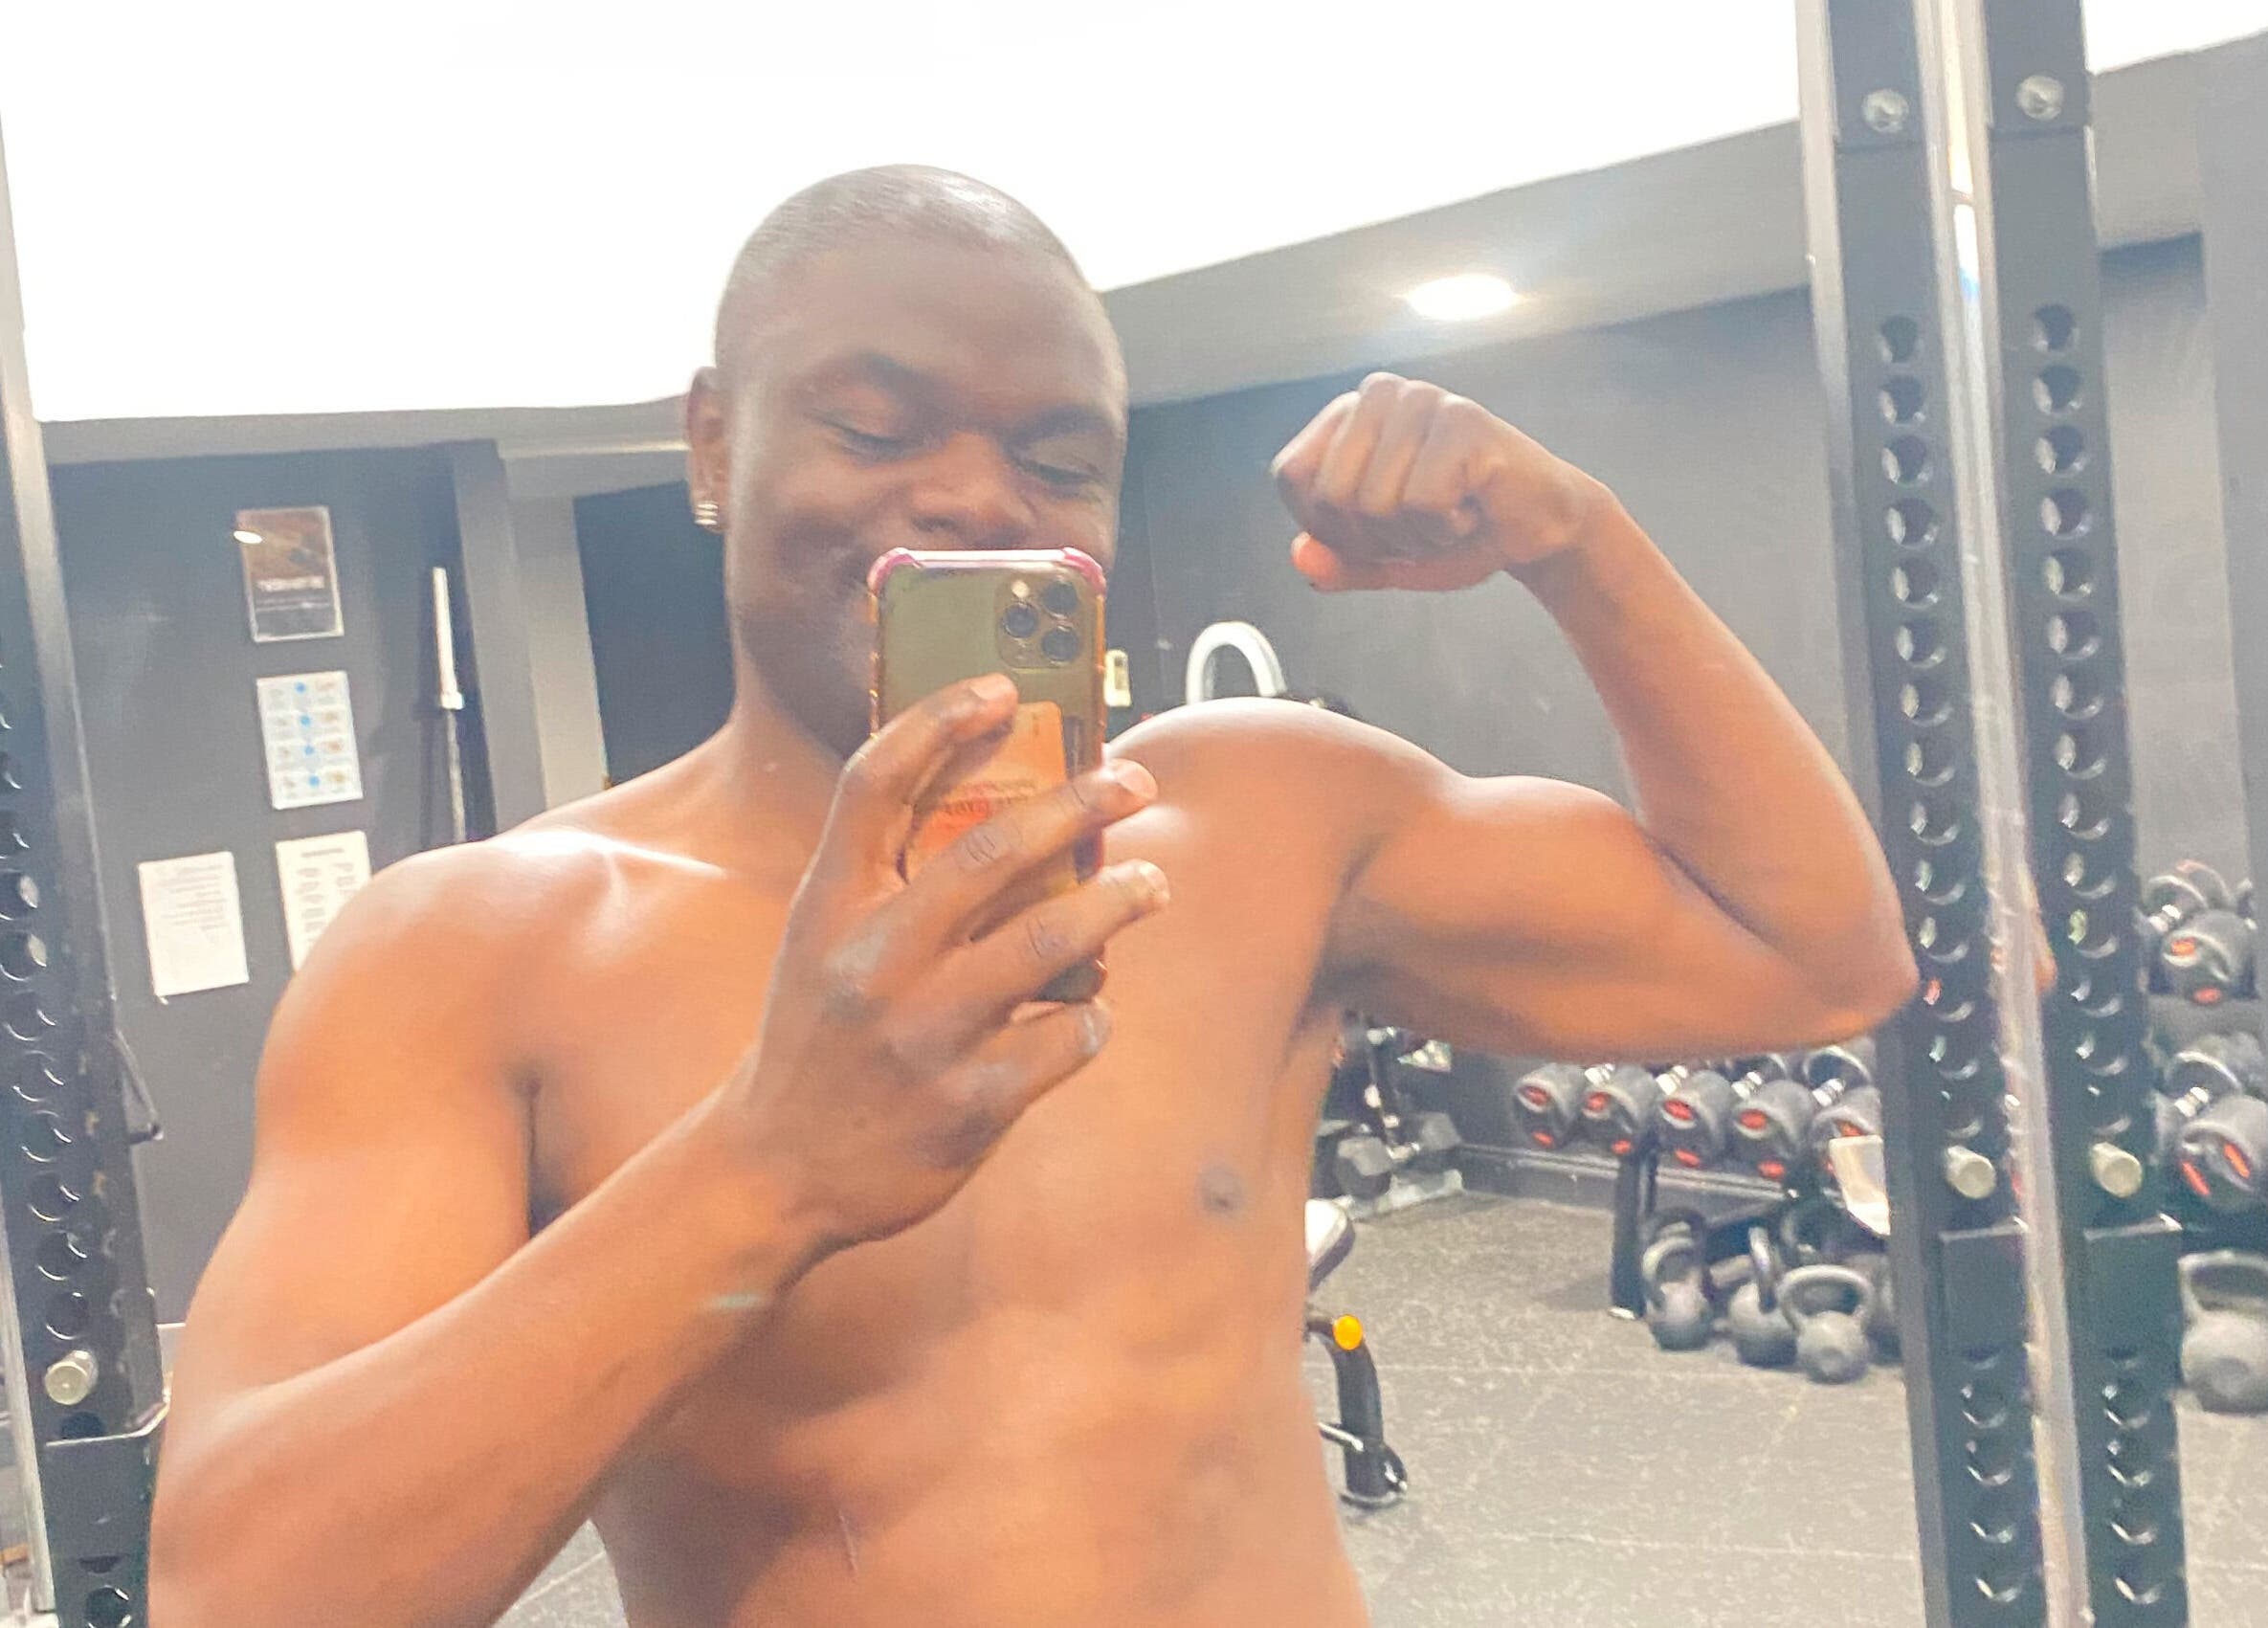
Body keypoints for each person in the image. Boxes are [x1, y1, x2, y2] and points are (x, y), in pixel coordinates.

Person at [151, 166, 1916, 1628]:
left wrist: (1578, 545)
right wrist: (766, 1163)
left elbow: (1814, 954)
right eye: (870, 422)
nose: (973, 496)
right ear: (711, 446)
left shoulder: (1266, 815)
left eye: (1060, 462)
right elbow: (243, 1590)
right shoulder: (484, 948)